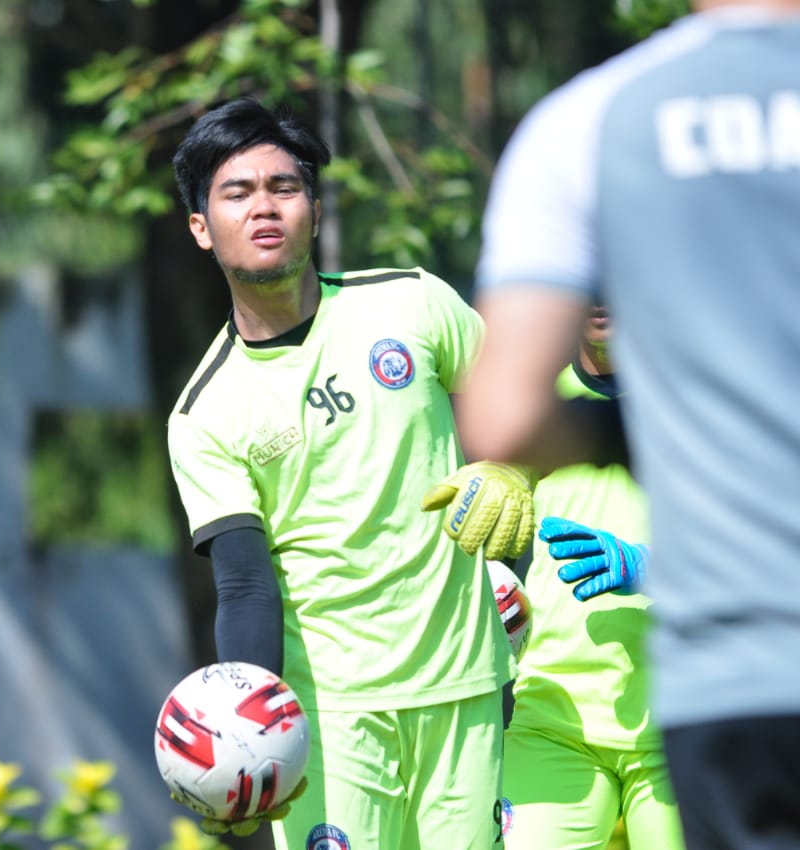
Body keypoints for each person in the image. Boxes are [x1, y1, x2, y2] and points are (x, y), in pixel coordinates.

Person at [455, 4, 800, 849]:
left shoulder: (592, 118)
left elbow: (502, 414)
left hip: (725, 679)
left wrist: (622, 436)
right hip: (566, 720)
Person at [165, 97, 535, 850]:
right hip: (329, 719)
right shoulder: (202, 412)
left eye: (284, 187)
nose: (264, 207)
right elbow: (243, 584)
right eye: (237, 193)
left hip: (464, 688)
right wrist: (247, 732)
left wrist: (509, 469)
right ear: (202, 227)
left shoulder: (413, 303)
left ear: (315, 207)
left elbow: (523, 404)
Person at [501, 307, 685, 850]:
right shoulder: (530, 405)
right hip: (553, 718)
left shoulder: (699, 398)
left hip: (680, 718)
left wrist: (647, 566)